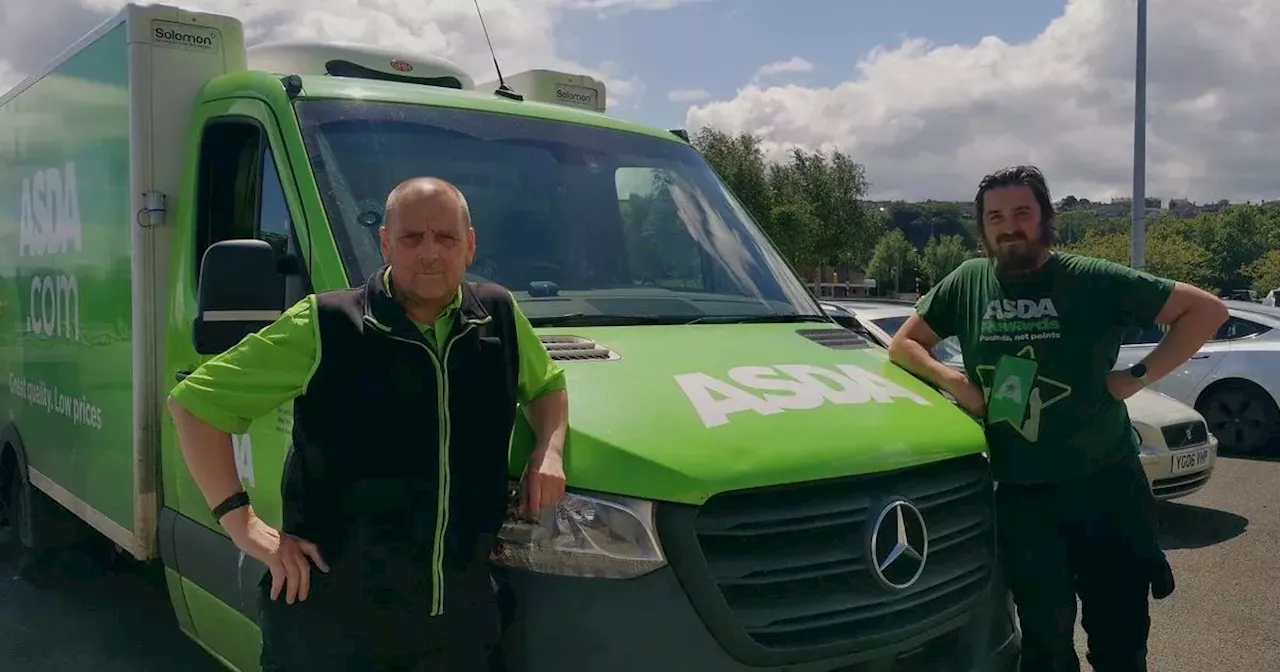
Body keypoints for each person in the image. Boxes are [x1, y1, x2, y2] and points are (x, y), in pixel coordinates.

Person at [167, 176, 570, 671]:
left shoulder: (499, 316)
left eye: (444, 237)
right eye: (411, 238)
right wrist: (242, 523)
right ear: (385, 244)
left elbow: (547, 385)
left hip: (458, 625)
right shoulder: (326, 323)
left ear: (470, 245)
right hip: (333, 625)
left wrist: (548, 450)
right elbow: (194, 404)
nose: (429, 253)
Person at [888, 165, 1227, 672]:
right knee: (1045, 648)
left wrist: (1135, 376)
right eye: (995, 217)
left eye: (1022, 213)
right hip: (1023, 499)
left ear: (1046, 217)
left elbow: (1205, 310)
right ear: (982, 226)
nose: (1009, 227)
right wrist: (956, 383)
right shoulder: (968, 282)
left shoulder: (1090, 279)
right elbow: (904, 344)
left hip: (1108, 490)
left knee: (1120, 644)